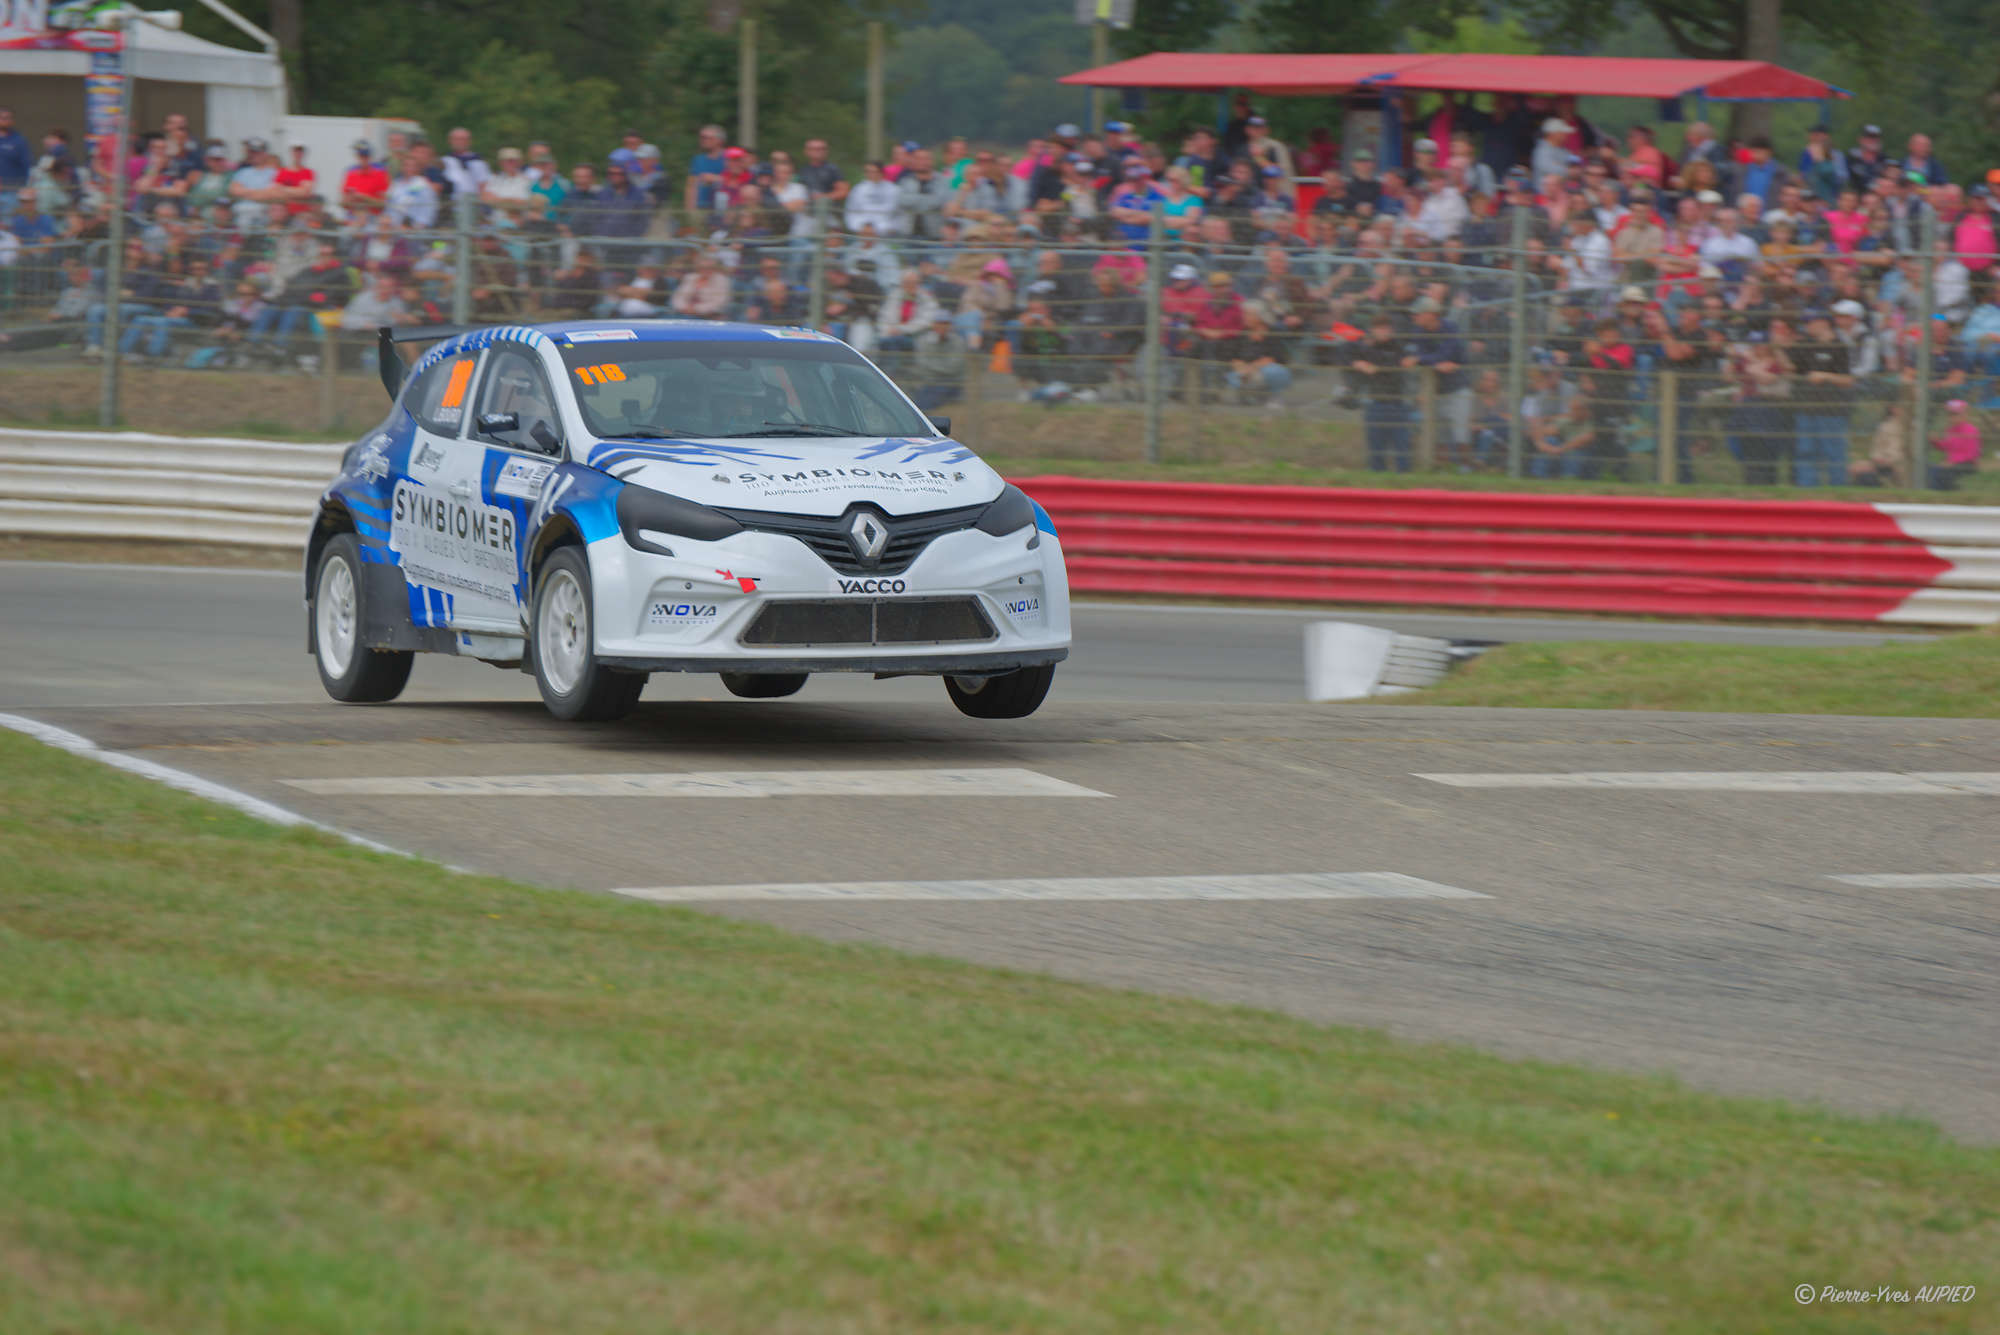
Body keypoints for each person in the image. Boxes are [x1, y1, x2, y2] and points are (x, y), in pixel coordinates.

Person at [1350, 312, 1415, 471]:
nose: (1383, 332)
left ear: (1391, 330)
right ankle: (1378, 483)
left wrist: (1375, 365)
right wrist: (1357, 363)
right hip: (1375, 403)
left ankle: (1404, 484)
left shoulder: (1399, 347)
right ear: (1373, 330)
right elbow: (1344, 353)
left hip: (1398, 404)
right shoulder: (1365, 347)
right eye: (1379, 328)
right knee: (1376, 451)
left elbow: (1399, 363)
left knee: (1403, 450)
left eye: (1386, 328)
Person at [1930, 398, 1982, 489]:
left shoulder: (1971, 430)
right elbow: (1947, 446)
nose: (1952, 417)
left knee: (1940, 473)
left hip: (1967, 464)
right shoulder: (1950, 430)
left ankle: (1953, 492)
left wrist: (1952, 462)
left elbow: (1971, 454)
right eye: (1950, 414)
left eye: (1956, 414)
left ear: (1965, 415)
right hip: (1952, 463)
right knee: (1931, 471)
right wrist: (1935, 441)